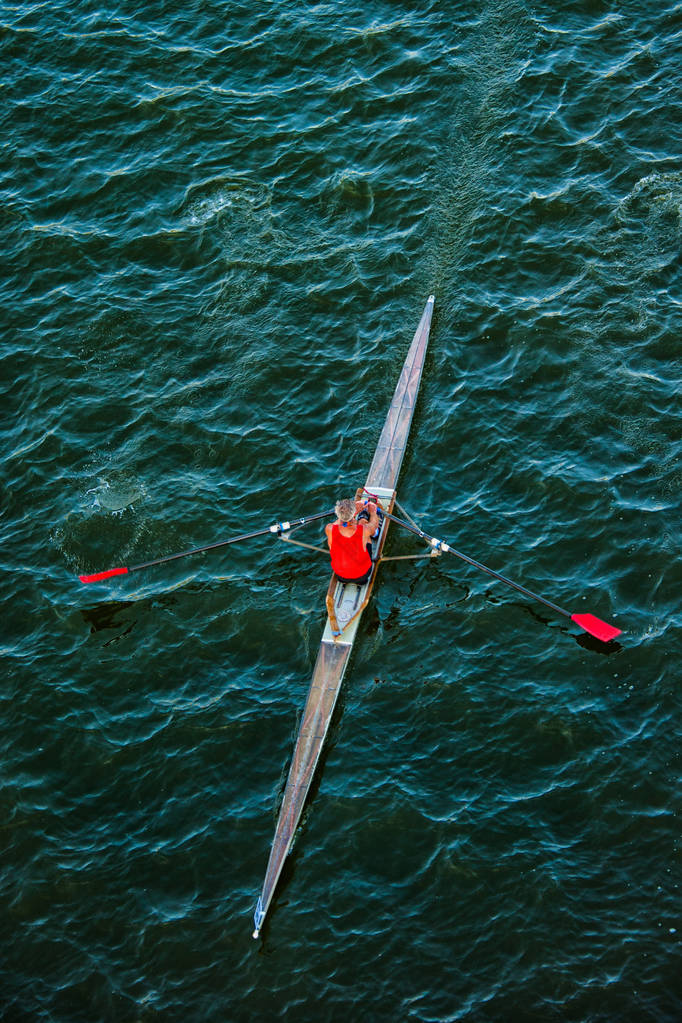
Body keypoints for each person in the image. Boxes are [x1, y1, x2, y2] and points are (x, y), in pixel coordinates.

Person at [325, 496, 381, 585]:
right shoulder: (364, 530)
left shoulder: (329, 528)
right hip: (363, 576)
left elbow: (341, 521)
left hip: (341, 576)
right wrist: (373, 512)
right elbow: (374, 524)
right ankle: (373, 532)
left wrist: (350, 513)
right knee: (363, 523)